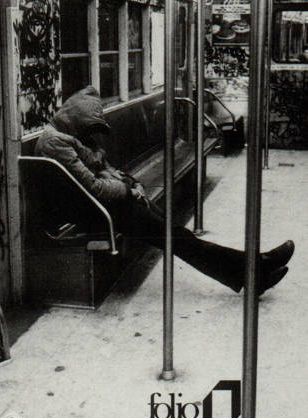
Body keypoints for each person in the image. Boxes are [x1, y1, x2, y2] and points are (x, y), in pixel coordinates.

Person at [35, 86, 294, 295]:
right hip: (90, 210)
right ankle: (255, 267)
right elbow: (93, 187)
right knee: (176, 237)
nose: (92, 134)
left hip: (102, 204)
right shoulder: (55, 143)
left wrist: (132, 183)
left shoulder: (72, 135)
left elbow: (105, 171)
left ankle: (253, 269)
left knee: (176, 235)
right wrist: (127, 190)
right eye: (90, 128)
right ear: (76, 120)